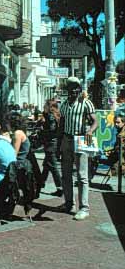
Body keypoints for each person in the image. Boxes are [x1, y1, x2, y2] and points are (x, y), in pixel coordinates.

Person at [58, 77, 98, 221]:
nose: (74, 90)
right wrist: (58, 146)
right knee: (66, 174)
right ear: (67, 89)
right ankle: (69, 203)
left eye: (76, 87)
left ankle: (84, 208)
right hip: (67, 139)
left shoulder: (86, 104)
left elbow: (95, 122)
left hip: (81, 139)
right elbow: (61, 126)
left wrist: (89, 132)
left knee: (82, 176)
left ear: (79, 89)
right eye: (71, 87)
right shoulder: (63, 105)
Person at [40, 100, 63, 197]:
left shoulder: (51, 116)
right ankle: (41, 183)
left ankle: (60, 187)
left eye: (45, 105)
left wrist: (42, 130)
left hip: (50, 144)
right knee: (47, 165)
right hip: (52, 143)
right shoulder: (53, 115)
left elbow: (51, 129)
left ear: (49, 106)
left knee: (53, 166)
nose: (43, 106)